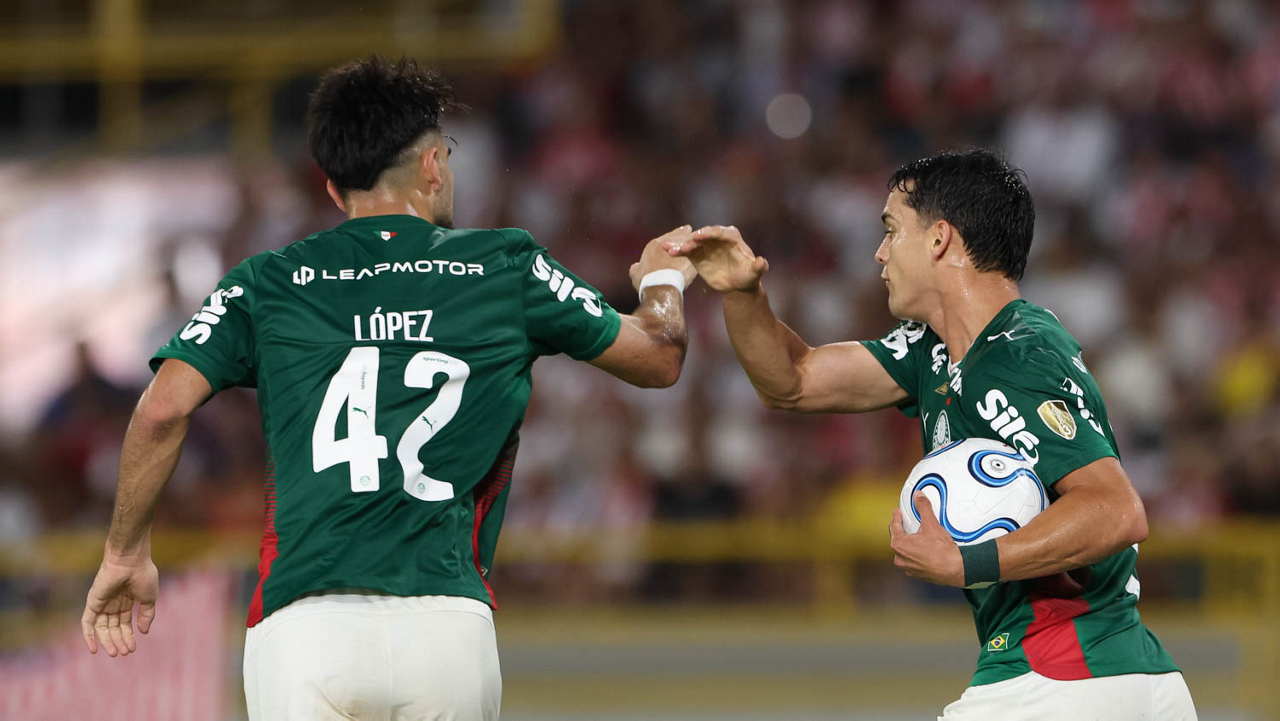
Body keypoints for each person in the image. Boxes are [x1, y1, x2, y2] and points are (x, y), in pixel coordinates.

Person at [80, 56, 697, 720]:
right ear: (432, 165)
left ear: (331, 185)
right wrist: (662, 280)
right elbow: (658, 357)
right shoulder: (505, 266)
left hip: (303, 624)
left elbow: (162, 408)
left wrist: (125, 552)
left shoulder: (267, 281)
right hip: (444, 622)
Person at [668, 149, 1197, 720]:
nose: (879, 253)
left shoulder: (1019, 357)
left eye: (892, 230)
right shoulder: (934, 353)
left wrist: (966, 562)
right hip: (1124, 676)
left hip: (1060, 674)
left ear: (940, 239)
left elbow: (1118, 511)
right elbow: (793, 382)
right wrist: (742, 292)